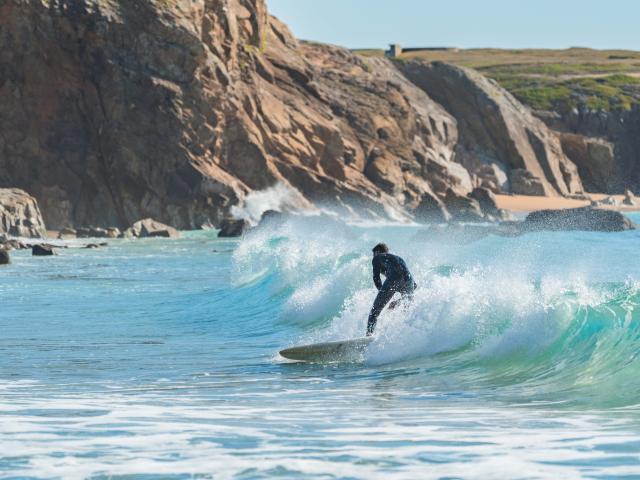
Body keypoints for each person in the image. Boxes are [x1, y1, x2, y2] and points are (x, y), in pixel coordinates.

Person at [366, 243, 416, 336]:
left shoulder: (377, 258)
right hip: (409, 281)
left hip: (394, 278)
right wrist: (397, 299)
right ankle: (404, 332)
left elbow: (376, 278)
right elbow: (414, 285)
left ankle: (369, 334)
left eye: (373, 254)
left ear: (377, 252)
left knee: (374, 311)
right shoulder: (398, 258)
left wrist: (382, 294)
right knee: (407, 304)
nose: (372, 256)